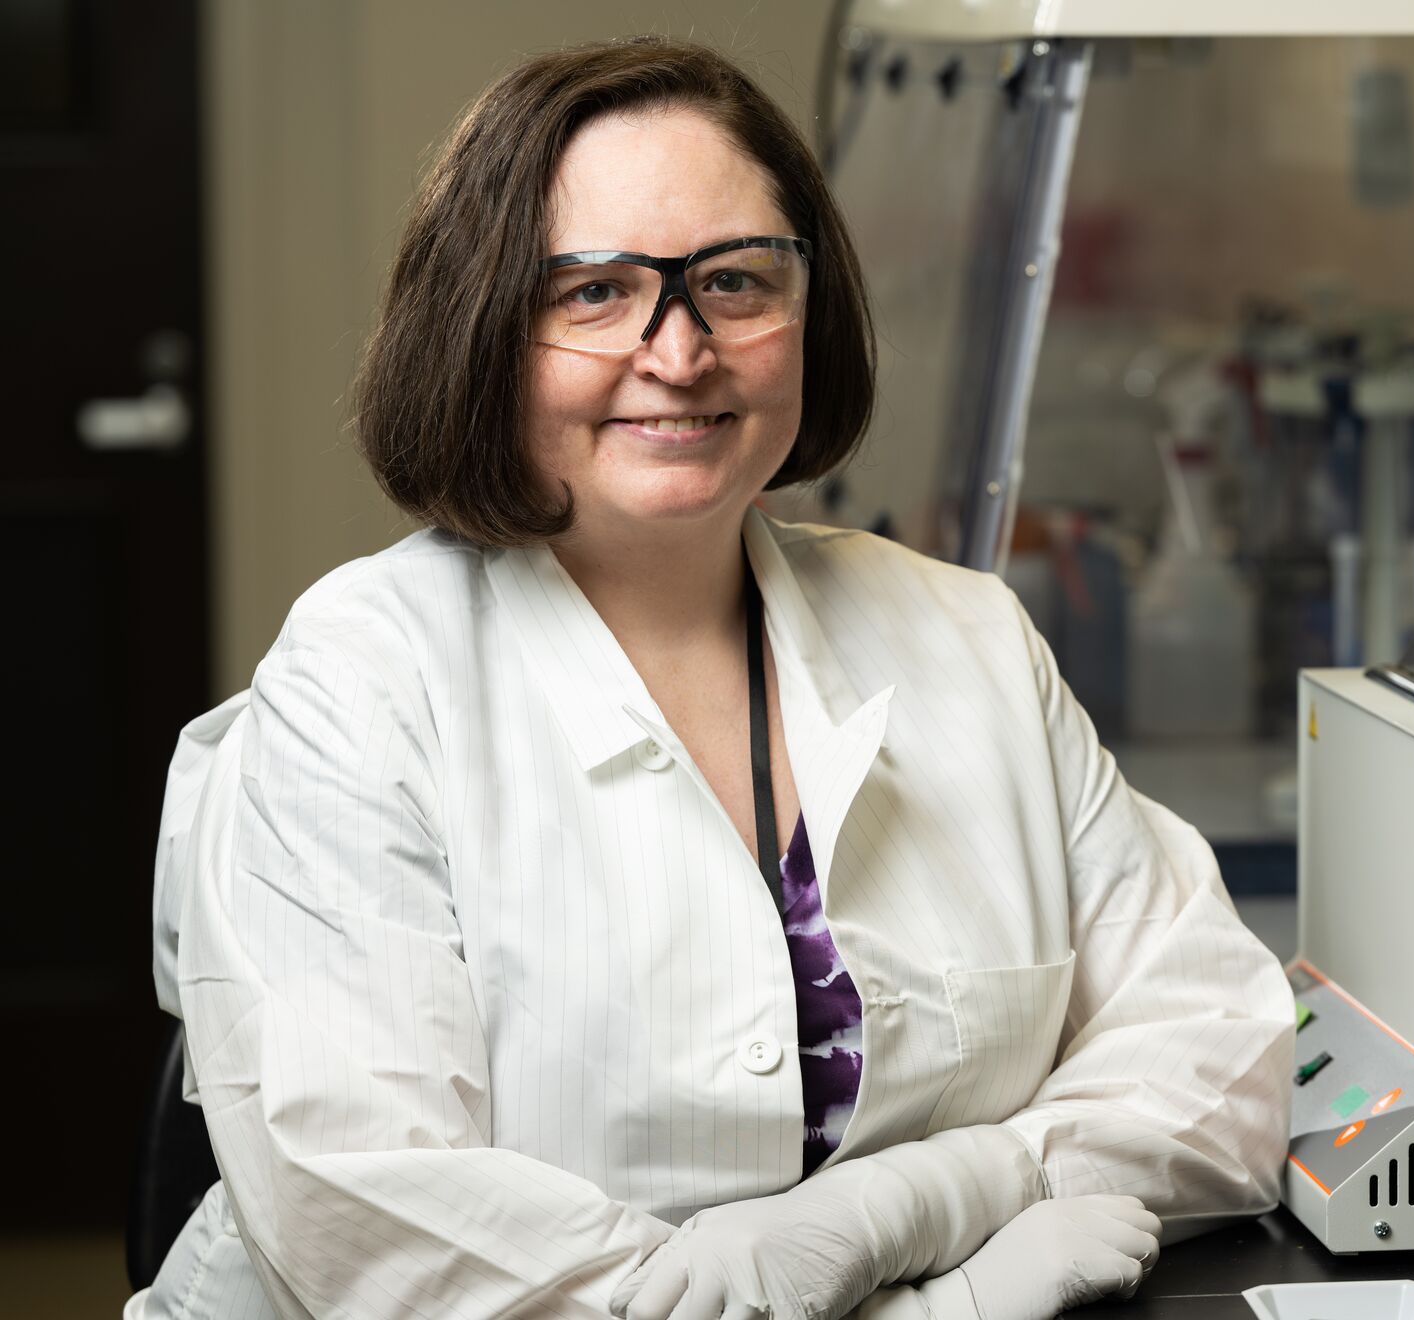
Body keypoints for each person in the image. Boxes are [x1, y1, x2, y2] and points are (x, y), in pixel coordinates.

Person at [128, 36, 1291, 1320]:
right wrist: (930, 1310)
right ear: (482, 329)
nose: (680, 352)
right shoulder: (359, 685)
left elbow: (1220, 1059)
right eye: (593, 292)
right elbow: (380, 1232)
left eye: (734, 282)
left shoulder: (967, 639)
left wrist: (923, 1197)